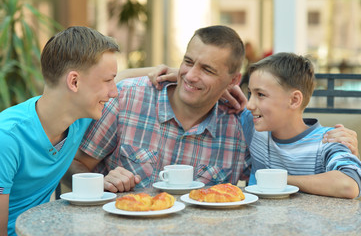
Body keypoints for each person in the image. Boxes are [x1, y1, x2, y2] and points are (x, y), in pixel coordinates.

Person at [64, 25, 251, 192]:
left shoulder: (239, 128)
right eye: (188, 62)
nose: (191, 76)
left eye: (207, 70)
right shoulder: (127, 98)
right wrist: (101, 183)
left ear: (233, 80)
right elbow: (74, 164)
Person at [0, 26, 121, 236]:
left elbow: (127, 77)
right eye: (107, 81)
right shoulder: (7, 138)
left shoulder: (79, 117)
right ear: (74, 82)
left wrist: (174, 74)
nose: (114, 92)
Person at [241, 52, 361, 198]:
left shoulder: (328, 140)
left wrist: (279, 180)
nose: (250, 105)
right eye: (250, 93)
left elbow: (348, 185)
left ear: (294, 100)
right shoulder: (253, 127)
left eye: (260, 94)